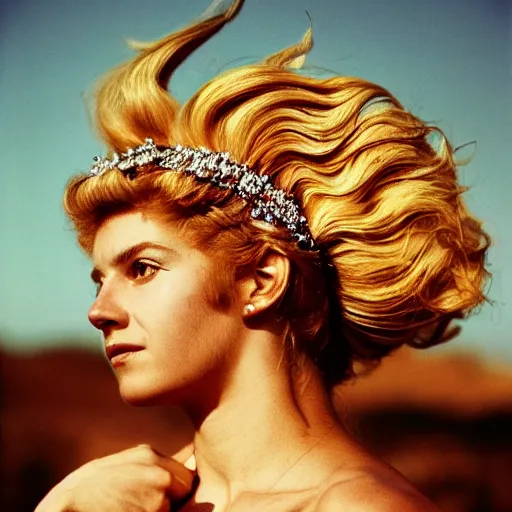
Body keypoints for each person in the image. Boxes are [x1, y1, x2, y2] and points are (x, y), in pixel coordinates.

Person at [35, 0, 491, 510]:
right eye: (100, 281)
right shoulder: (111, 499)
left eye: (142, 268)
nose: (99, 311)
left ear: (262, 279)